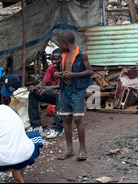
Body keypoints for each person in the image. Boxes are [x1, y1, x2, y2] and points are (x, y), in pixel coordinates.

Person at [55, 30, 92, 161]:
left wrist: (73, 75)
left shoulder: (82, 54)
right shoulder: (64, 55)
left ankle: (82, 149)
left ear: (66, 42)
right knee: (66, 119)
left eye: (59, 43)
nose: (59, 46)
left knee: (78, 119)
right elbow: (64, 71)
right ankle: (69, 149)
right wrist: (59, 75)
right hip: (66, 89)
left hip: (77, 90)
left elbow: (89, 71)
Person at [28, 49, 63, 138]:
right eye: (52, 60)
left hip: (69, 96)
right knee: (34, 94)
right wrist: (36, 87)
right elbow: (44, 82)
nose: (54, 62)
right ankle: (36, 125)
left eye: (56, 59)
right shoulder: (52, 67)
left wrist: (50, 88)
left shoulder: (68, 68)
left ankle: (58, 129)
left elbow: (66, 87)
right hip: (58, 94)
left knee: (60, 94)